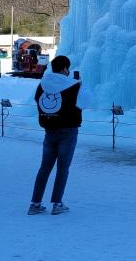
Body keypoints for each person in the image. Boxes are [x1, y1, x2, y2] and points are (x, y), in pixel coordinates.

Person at [28, 55, 90, 215]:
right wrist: (81, 84)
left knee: (44, 167)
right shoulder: (74, 85)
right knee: (62, 169)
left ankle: (35, 204)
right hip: (68, 131)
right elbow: (87, 102)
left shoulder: (43, 84)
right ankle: (57, 204)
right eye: (67, 68)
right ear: (64, 69)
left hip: (49, 130)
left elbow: (38, 100)